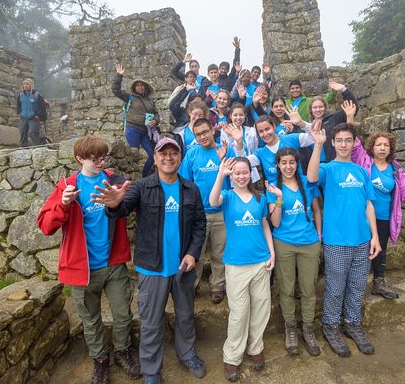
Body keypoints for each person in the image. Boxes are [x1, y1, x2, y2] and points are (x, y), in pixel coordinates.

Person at [94, 137, 207, 384]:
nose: (168, 157)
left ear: (180, 157)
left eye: (173, 153)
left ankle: (187, 354)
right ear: (154, 158)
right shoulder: (141, 187)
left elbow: (200, 225)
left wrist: (193, 253)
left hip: (182, 267)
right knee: (152, 322)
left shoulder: (191, 188)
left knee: (186, 315)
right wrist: (113, 205)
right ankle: (152, 370)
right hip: (152, 269)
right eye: (162, 153)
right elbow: (122, 210)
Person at [37, 135, 140, 384]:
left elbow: (135, 202)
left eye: (102, 157)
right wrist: (63, 205)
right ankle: (100, 360)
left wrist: (122, 201)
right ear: (79, 159)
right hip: (82, 269)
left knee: (123, 313)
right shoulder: (68, 187)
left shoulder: (113, 181)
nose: (99, 162)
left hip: (113, 263)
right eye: (93, 158)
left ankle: (122, 351)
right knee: (90, 320)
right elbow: (45, 226)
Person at [307, 121, 381, 357]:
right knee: (336, 288)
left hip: (362, 240)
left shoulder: (361, 171)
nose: (343, 144)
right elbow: (311, 177)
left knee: (358, 286)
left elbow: (369, 205)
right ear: (333, 142)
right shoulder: (328, 169)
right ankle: (330, 326)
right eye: (339, 140)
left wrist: (375, 237)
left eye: (348, 140)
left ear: (354, 142)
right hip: (337, 240)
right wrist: (317, 146)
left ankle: (352, 323)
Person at [343, 100, 405, 300]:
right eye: (378, 144)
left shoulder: (395, 169)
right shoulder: (363, 159)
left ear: (390, 149)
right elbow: (354, 143)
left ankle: (379, 282)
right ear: (373, 146)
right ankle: (351, 282)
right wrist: (350, 118)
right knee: (360, 247)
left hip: (384, 216)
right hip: (361, 215)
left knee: (381, 249)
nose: (382, 148)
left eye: (385, 145)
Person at [209, 157, 275, 382]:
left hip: (260, 260)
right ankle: (232, 356)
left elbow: (264, 224)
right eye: (236, 173)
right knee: (239, 312)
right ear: (232, 174)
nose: (241, 176)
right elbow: (212, 200)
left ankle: (255, 347)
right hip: (236, 263)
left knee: (262, 307)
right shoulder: (227, 196)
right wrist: (220, 174)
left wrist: (271, 252)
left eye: (244, 172)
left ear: (251, 174)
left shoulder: (261, 198)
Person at [265, 148, 322, 356]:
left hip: (309, 243)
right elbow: (276, 222)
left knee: (308, 287)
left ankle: (308, 328)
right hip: (285, 243)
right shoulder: (273, 187)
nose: (288, 167)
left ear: (297, 164)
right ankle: (290, 328)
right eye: (283, 163)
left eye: (292, 162)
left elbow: (316, 209)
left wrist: (318, 235)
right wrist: (279, 198)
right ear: (278, 165)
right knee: (287, 288)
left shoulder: (307, 182)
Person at [179, 118, 237, 303]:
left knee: (220, 252)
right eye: (198, 134)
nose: (202, 137)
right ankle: (192, 285)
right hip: (199, 213)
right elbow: (185, 184)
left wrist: (223, 160)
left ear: (213, 130)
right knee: (197, 251)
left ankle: (217, 286)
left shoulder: (226, 150)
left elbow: (238, 178)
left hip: (222, 210)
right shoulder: (191, 155)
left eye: (205, 132)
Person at [232, 115, 312, 184]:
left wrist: (302, 123)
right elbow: (243, 163)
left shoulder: (290, 139)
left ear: (274, 126)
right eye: (261, 131)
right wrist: (239, 142)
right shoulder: (260, 153)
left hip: (300, 191)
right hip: (275, 196)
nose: (265, 134)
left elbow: (314, 137)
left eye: (267, 129)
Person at [111, 63, 159, 177]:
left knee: (152, 157)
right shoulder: (130, 98)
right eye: (138, 85)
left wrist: (155, 121)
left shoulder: (150, 101)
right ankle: (134, 180)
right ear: (134, 88)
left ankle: (144, 176)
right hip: (132, 130)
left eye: (142, 85)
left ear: (145, 87)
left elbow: (156, 114)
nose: (140, 87)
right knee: (134, 156)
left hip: (145, 132)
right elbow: (115, 90)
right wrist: (119, 76)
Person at [16, 78, 46, 147]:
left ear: (31, 85)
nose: (25, 86)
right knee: (22, 131)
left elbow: (42, 106)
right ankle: (24, 145)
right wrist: (19, 112)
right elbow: (18, 105)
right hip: (23, 117)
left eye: (27, 84)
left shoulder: (36, 95)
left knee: (33, 131)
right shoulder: (20, 95)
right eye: (24, 84)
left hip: (33, 117)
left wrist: (38, 115)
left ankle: (37, 146)